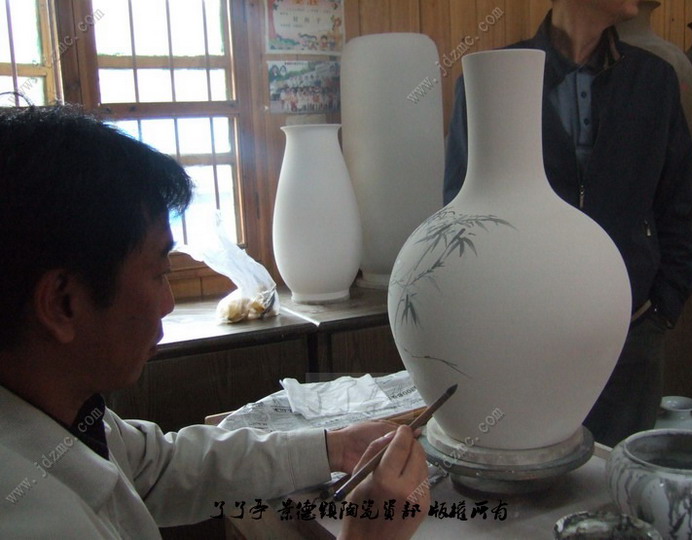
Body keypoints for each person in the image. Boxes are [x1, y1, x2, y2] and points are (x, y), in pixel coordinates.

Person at [0, 105, 429, 538]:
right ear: (62, 304)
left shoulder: (67, 415)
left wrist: (335, 446)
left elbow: (161, 467)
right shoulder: (29, 517)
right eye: (159, 273)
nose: (167, 303)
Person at [443, 0, 692, 447]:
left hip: (631, 332)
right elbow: (461, 215)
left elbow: (675, 203)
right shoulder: (492, 79)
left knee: (618, 479)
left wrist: (663, 308)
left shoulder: (654, 79)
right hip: (523, 339)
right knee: (534, 478)